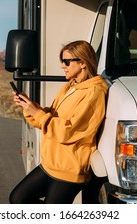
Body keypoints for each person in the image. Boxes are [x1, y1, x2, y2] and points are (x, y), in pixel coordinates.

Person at [9, 40, 108, 204]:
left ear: (83, 62)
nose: (63, 66)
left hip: (70, 167)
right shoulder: (70, 86)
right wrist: (30, 107)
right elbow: (51, 118)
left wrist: (37, 113)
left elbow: (70, 131)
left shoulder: (94, 93)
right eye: (62, 61)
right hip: (52, 163)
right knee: (18, 198)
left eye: (66, 61)